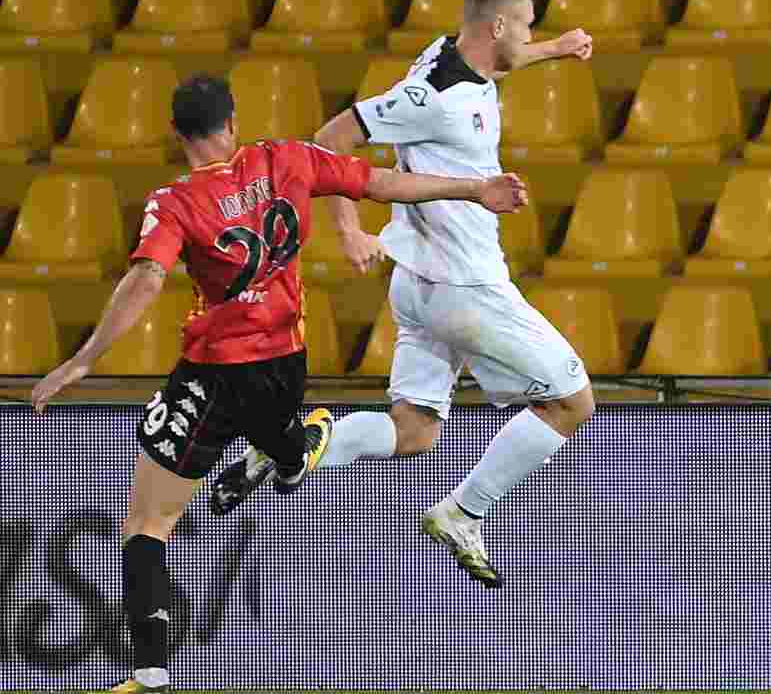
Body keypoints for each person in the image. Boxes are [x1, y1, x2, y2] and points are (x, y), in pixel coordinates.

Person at [29, 74, 528, 694]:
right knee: (284, 455)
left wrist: (83, 359)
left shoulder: (175, 202)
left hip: (213, 371)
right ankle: (294, 444)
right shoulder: (286, 158)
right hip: (285, 364)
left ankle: (150, 675)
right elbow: (379, 182)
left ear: (178, 134)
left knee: (147, 526)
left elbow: (147, 280)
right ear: (232, 121)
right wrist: (474, 189)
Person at [211, 0, 595, 590]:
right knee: (573, 402)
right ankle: (463, 513)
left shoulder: (452, 50)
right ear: (496, 27)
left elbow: (504, 59)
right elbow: (330, 140)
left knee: (413, 430)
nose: (528, 38)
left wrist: (556, 48)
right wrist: (349, 231)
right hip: (464, 288)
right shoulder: (433, 95)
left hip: (416, 287)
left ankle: (286, 443)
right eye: (525, 27)